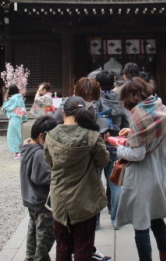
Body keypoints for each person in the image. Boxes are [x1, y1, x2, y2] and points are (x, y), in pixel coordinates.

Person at [113, 77, 166, 261]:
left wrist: (118, 147)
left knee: (141, 225)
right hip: (161, 172)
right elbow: (151, 133)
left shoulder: (138, 117)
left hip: (143, 178)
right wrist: (131, 132)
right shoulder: (159, 107)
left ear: (130, 97)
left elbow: (137, 154)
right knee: (157, 220)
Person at [44, 96, 110, 261]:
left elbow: (50, 162)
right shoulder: (92, 136)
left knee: (63, 247)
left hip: (60, 200)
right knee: (83, 247)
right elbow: (103, 161)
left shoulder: (51, 135)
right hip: (85, 200)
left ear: (63, 111)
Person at [20, 116, 58, 261]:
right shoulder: (38, 153)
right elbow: (41, 177)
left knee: (33, 236)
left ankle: (30, 258)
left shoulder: (27, 148)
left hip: (31, 200)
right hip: (43, 204)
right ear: (42, 136)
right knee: (43, 241)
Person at [95, 70, 129, 229]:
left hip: (97, 144)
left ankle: (95, 222)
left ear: (98, 83)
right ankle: (115, 219)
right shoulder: (120, 100)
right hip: (115, 143)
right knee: (115, 183)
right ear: (114, 82)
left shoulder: (95, 100)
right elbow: (126, 122)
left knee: (95, 184)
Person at [2, 84, 28, 159]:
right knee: (18, 134)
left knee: (14, 135)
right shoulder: (19, 97)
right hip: (18, 117)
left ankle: (18, 152)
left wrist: (5, 98)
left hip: (14, 118)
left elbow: (6, 107)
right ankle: (20, 151)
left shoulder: (14, 98)